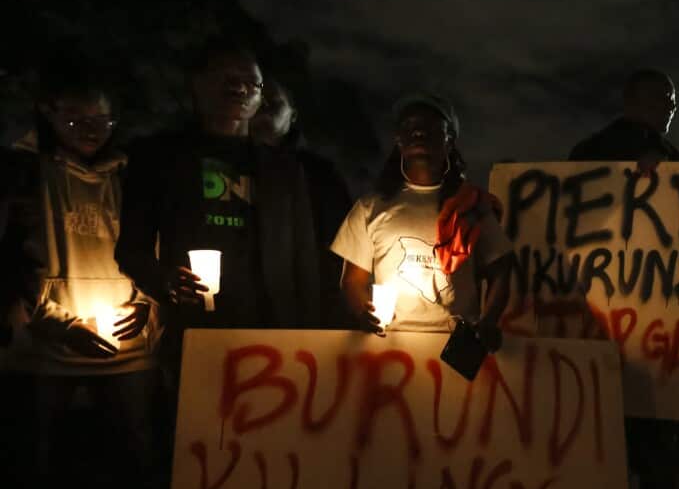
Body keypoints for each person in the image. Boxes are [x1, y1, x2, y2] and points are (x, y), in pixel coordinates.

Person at [0, 64, 162, 489]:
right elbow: (11, 256)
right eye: (76, 119)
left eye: (101, 119)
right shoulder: (24, 174)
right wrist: (53, 320)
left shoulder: (134, 175)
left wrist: (149, 301)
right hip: (46, 343)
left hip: (127, 342)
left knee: (137, 447)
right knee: (37, 453)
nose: (91, 129)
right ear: (50, 114)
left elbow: (154, 246)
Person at [116, 40, 326, 360]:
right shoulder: (159, 157)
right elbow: (132, 247)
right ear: (198, 84)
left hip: (271, 323)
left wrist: (309, 328)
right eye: (227, 78)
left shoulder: (282, 167)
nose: (240, 87)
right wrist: (165, 281)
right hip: (194, 322)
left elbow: (303, 254)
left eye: (251, 82)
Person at [568, 69, 679, 489]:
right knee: (648, 437)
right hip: (630, 316)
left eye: (673, 101)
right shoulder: (633, 154)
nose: (671, 109)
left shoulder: (591, 151)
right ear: (639, 99)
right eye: (667, 99)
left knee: (620, 434)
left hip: (623, 316)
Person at [330, 93, 512, 344]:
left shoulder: (471, 205)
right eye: (409, 126)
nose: (418, 132)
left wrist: (488, 322)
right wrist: (364, 313)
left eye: (430, 126)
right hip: (389, 345)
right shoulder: (370, 207)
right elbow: (352, 280)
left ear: (449, 141)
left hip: (456, 345)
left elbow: (501, 270)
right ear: (399, 142)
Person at [250, 77, 353, 288]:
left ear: (293, 115)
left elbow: (342, 238)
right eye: (259, 102)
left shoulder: (320, 172)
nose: (265, 108)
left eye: (274, 103)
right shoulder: (232, 165)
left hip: (309, 287)